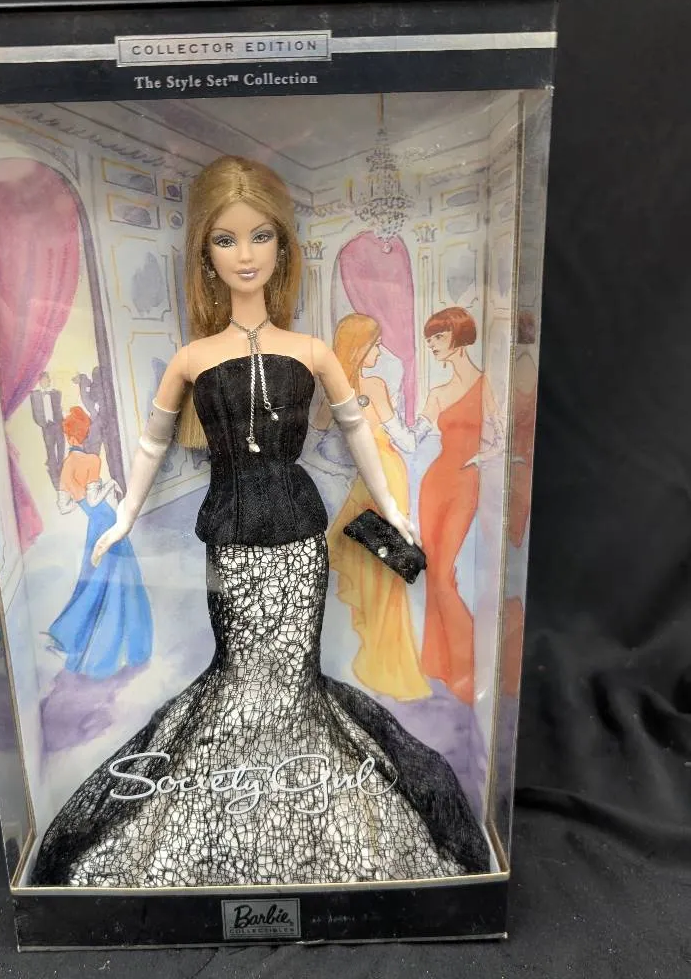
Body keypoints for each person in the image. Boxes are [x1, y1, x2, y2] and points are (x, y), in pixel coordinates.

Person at [32, 156, 488, 888]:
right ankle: (227, 804)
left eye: (260, 236)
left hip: (299, 538)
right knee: (241, 671)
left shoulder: (310, 352)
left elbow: (358, 429)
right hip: (231, 539)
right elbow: (150, 442)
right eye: (225, 240)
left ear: (282, 247)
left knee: (295, 678)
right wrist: (121, 516)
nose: (244, 255)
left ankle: (307, 804)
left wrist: (394, 507)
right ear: (205, 256)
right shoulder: (192, 358)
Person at [323, 313, 431, 701]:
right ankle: (382, 660)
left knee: (373, 561)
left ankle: (380, 658)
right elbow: (407, 442)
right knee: (385, 565)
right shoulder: (374, 387)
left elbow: (318, 440)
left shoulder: (333, 391)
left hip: (368, 480)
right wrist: (426, 422)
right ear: (359, 348)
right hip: (384, 474)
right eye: (375, 345)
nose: (380, 351)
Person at [416, 307, 502, 706]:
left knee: (443, 575)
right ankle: (440, 664)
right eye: (429, 339)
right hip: (434, 485)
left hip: (465, 484)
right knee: (437, 574)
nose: (432, 344)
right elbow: (412, 438)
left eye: (438, 336)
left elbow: (502, 439)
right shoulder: (437, 394)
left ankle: (469, 668)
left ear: (458, 336)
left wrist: (479, 459)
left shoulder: (485, 384)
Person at [46, 406, 152, 679]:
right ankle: (126, 649)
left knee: (94, 581)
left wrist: (80, 498)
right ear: (84, 434)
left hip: (93, 525)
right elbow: (95, 501)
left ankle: (70, 636)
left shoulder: (66, 466)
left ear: (68, 436)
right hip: (105, 521)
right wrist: (111, 485)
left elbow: (64, 507)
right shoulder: (91, 460)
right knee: (119, 580)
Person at [29, 371, 64, 489]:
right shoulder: (35, 395)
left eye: (46, 380)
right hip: (47, 427)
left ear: (49, 381)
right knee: (50, 450)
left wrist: (60, 421)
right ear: (39, 382)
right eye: (42, 380)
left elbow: (59, 409)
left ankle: (61, 470)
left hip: (57, 425)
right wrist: (43, 424)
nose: (44, 382)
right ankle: (54, 475)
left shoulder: (56, 393)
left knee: (61, 447)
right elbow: (35, 413)